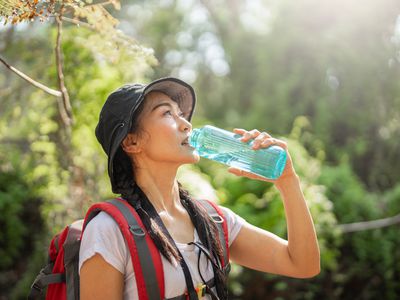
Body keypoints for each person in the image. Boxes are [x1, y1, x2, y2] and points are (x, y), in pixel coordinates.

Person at [79, 77, 320, 300]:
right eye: (167, 113)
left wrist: (288, 182)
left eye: (181, 114)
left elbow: (303, 264)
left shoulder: (214, 221)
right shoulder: (108, 232)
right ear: (131, 141)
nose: (186, 124)